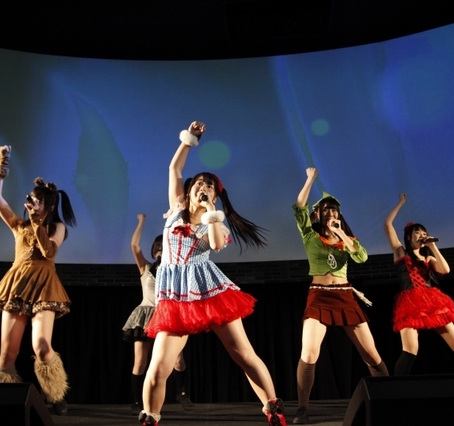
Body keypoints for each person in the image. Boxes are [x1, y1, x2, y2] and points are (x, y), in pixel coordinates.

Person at [139, 121, 287, 426]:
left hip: (210, 292)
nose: (203, 187)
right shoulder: (175, 209)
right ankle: (150, 418)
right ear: (189, 189)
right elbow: (174, 169)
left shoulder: (214, 223)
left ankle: (274, 410)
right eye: (199, 183)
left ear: (215, 197)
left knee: (243, 355)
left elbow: (217, 245)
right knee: (158, 368)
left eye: (209, 186)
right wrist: (190, 140)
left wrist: (211, 214)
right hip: (175, 298)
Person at [292, 167, 388, 424]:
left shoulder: (348, 240)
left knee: (371, 355)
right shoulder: (310, 235)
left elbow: (361, 257)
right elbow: (299, 207)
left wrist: (342, 233)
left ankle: (388, 401)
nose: (331, 214)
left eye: (334, 211)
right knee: (309, 354)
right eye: (326, 210)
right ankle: (303, 408)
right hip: (319, 296)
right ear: (318, 214)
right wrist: (310, 179)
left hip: (345, 296)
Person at [0, 145, 76, 415]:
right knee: (7, 352)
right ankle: (2, 400)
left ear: (49, 206)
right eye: (31, 199)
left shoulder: (56, 227)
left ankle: (56, 393)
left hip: (44, 286)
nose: (32, 204)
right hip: (17, 285)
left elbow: (49, 252)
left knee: (41, 347)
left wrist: (38, 223)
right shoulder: (19, 225)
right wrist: (2, 167)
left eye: (38, 201)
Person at [384, 193, 454, 375]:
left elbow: (445, 270)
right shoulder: (401, 252)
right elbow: (387, 225)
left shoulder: (427, 257)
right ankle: (397, 388)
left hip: (432, 300)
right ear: (409, 236)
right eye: (417, 232)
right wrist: (401, 203)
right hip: (409, 303)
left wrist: (432, 246)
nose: (421, 235)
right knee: (410, 351)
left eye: (424, 233)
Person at [123, 213, 193, 414]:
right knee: (140, 361)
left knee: (177, 359)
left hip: (167, 315)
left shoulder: (175, 269)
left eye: (164, 246)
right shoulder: (145, 267)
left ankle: (182, 393)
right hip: (145, 315)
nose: (160, 248)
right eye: (157, 246)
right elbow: (134, 246)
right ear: (154, 250)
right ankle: (138, 402)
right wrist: (141, 222)